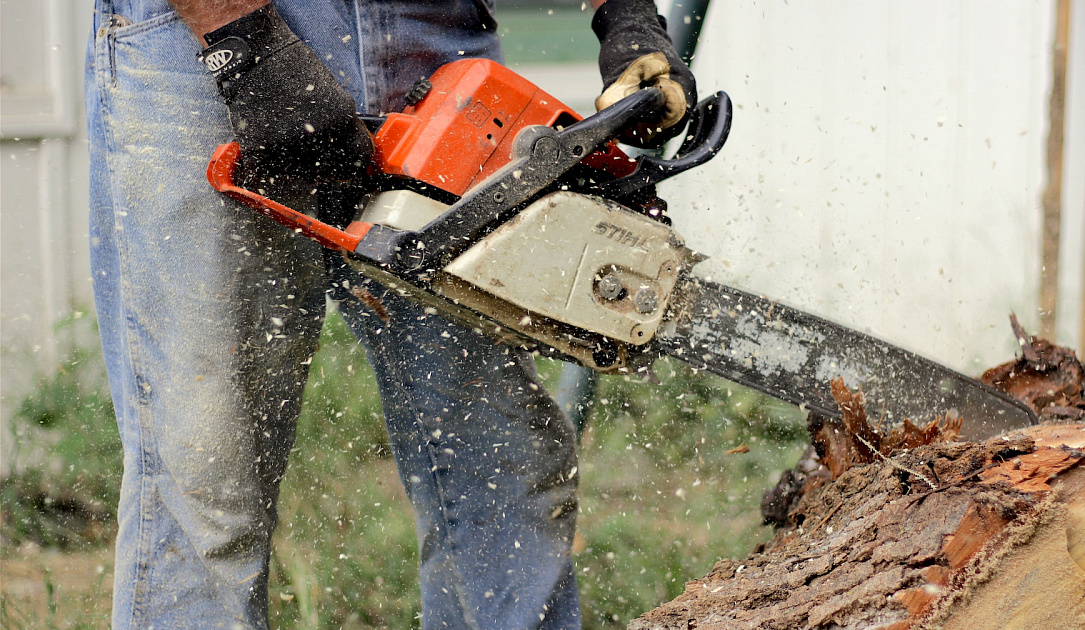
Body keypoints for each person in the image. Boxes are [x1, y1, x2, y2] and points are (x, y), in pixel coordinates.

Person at [85, 0, 695, 628]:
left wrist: (628, 19)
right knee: (207, 475)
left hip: (431, 40)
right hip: (202, 47)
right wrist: (238, 35)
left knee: (497, 459)